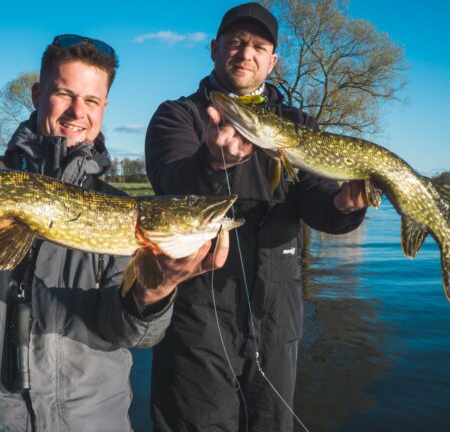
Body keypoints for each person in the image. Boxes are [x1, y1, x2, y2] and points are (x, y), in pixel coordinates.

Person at [0, 34, 226, 431]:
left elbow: (129, 335)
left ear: (104, 107)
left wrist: (153, 294)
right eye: (64, 94)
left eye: (91, 101)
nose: (77, 112)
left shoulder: (119, 208)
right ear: (38, 94)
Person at [144, 3, 369, 431]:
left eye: (259, 46)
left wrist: (344, 207)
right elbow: (169, 187)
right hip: (198, 317)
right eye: (236, 43)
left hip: (277, 317)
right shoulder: (179, 115)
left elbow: (316, 199)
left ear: (272, 61)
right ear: (214, 49)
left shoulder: (297, 125)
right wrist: (212, 163)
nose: (246, 53)